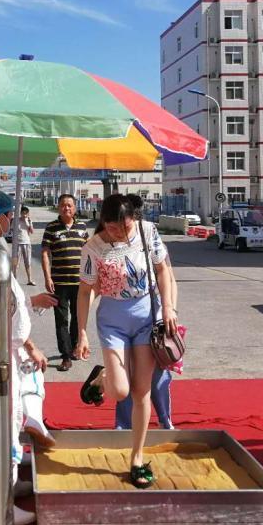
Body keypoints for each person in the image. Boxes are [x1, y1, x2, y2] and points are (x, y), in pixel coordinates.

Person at [74, 194, 177, 489]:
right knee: (120, 391)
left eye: (125, 226)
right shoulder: (92, 248)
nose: (120, 232)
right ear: (103, 222)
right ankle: (103, 377)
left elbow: (162, 270)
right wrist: (81, 332)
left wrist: (168, 307)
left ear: (134, 218)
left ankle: (137, 457)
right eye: (114, 227)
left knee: (141, 391)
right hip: (113, 320)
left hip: (145, 317)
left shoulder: (147, 231)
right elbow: (84, 292)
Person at [0, 190, 58, 525]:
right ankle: (3, 504)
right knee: (10, 421)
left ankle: (12, 485)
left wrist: (33, 300)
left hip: (12, 348)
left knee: (16, 414)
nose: (10, 221)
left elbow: (13, 304)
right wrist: (30, 344)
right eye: (6, 215)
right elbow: (6, 315)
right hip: (4, 350)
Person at [103, 195, 176, 430]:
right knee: (129, 378)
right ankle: (123, 426)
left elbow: (168, 277)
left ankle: (165, 420)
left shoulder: (150, 237)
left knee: (158, 379)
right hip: (125, 320)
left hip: (153, 319)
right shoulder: (111, 244)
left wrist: (169, 309)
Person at [41, 194, 89, 371]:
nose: (66, 208)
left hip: (80, 283)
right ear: (58, 207)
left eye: (69, 205)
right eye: (63, 205)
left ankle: (76, 347)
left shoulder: (82, 227)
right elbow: (45, 253)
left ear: (75, 208)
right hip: (59, 283)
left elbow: (89, 251)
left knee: (78, 318)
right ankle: (66, 356)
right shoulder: (51, 228)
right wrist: (47, 277)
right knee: (61, 320)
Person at [12, 206, 36, 285]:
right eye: (23, 213)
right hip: (18, 243)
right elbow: (12, 230)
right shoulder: (16, 220)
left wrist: (28, 224)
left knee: (28, 262)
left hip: (26, 243)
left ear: (28, 214)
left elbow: (32, 231)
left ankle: (29, 280)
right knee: (16, 263)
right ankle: (15, 280)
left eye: (26, 213)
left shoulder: (29, 220)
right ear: (20, 213)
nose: (24, 215)